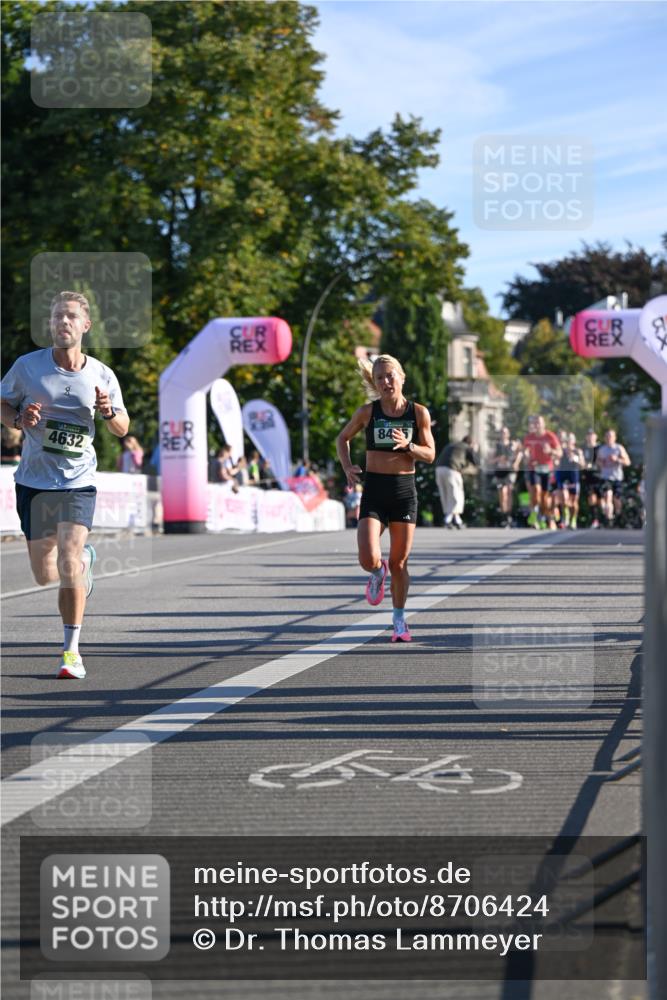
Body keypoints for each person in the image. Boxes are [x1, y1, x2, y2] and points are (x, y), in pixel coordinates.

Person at [0, 290, 129, 679]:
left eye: (71, 316)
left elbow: (123, 427)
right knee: (45, 573)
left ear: (85, 325)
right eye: (57, 316)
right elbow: (2, 406)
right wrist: (20, 419)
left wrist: (108, 413)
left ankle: (71, 651)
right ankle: (86, 562)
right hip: (34, 481)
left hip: (78, 480)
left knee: (69, 560)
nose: (63, 322)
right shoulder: (27, 367)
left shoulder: (102, 374)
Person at [336, 354, 435, 642]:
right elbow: (343, 438)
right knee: (368, 557)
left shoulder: (418, 413)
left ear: (402, 377)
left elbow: (430, 454)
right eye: (379, 378)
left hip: (404, 493)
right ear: (375, 383)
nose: (386, 381)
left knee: (400, 562)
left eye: (390, 375)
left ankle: (399, 619)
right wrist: (347, 467)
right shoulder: (368, 412)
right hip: (375, 491)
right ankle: (377, 572)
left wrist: (409, 446)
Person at [520, 414, 562, 530]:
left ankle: (542, 517)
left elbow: (560, 453)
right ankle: (534, 514)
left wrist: (551, 451)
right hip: (534, 468)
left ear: (544, 424)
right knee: (536, 492)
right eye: (535, 423)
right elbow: (524, 451)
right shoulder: (529, 437)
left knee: (544, 497)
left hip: (547, 469)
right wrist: (526, 455)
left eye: (539, 423)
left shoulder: (550, 436)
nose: (537, 425)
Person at [435, 436, 479, 529]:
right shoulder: (467, 447)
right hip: (452, 470)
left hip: (439, 469)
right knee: (457, 495)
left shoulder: (452, 445)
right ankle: (447, 519)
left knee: (446, 495)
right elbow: (475, 461)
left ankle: (457, 521)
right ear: (471, 443)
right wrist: (474, 450)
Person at [596, 428, 631, 527]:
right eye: (607, 436)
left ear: (614, 438)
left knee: (617, 499)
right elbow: (598, 462)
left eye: (610, 436)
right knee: (608, 496)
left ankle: (618, 514)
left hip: (617, 477)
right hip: (606, 477)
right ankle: (609, 518)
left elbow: (628, 462)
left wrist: (617, 459)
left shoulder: (619, 448)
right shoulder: (602, 449)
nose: (608, 438)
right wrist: (601, 463)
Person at [489, 426, 519, 528]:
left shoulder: (512, 445)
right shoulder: (496, 446)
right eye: (502, 432)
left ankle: (509, 515)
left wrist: (516, 463)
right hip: (500, 472)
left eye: (505, 432)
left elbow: (520, 454)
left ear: (508, 434)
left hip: (509, 471)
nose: (503, 434)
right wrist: (498, 459)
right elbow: (491, 460)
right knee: (502, 494)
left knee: (509, 492)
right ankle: (504, 516)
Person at [554, 432, 584, 529]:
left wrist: (576, 459)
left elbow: (583, 465)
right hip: (563, 476)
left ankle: (573, 518)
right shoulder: (561, 451)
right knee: (564, 498)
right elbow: (556, 461)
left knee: (574, 501)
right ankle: (565, 515)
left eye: (571, 440)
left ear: (574, 441)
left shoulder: (578, 451)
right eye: (567, 440)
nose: (569, 442)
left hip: (573, 476)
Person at [581, 429, 601, 528]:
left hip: (600, 477)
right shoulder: (583, 449)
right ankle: (594, 519)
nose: (590, 437)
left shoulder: (600, 448)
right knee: (591, 498)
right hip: (588, 477)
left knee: (602, 500)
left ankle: (605, 519)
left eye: (592, 435)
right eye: (588, 435)